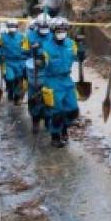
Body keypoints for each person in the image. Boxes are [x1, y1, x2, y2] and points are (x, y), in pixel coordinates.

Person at [36, 17, 84, 148]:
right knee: (57, 112)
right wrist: (39, 61)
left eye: (63, 30)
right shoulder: (46, 46)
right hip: (52, 81)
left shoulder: (70, 43)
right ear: (53, 31)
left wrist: (81, 50)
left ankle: (64, 127)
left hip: (67, 80)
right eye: (58, 30)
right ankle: (55, 136)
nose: (61, 32)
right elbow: (42, 62)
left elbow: (77, 57)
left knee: (73, 110)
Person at [22, 13, 51, 133]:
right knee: (34, 96)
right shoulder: (30, 35)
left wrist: (43, 56)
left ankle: (48, 119)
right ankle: (35, 120)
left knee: (48, 96)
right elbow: (23, 52)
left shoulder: (52, 35)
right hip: (33, 70)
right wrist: (31, 51)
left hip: (48, 71)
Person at [0, 20, 28, 105]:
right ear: (7, 27)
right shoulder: (3, 37)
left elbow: (27, 48)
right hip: (9, 62)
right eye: (10, 26)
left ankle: (17, 97)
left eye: (14, 26)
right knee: (10, 78)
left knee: (19, 80)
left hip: (20, 62)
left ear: (17, 27)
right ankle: (10, 90)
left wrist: (26, 57)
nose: (12, 28)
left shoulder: (22, 37)